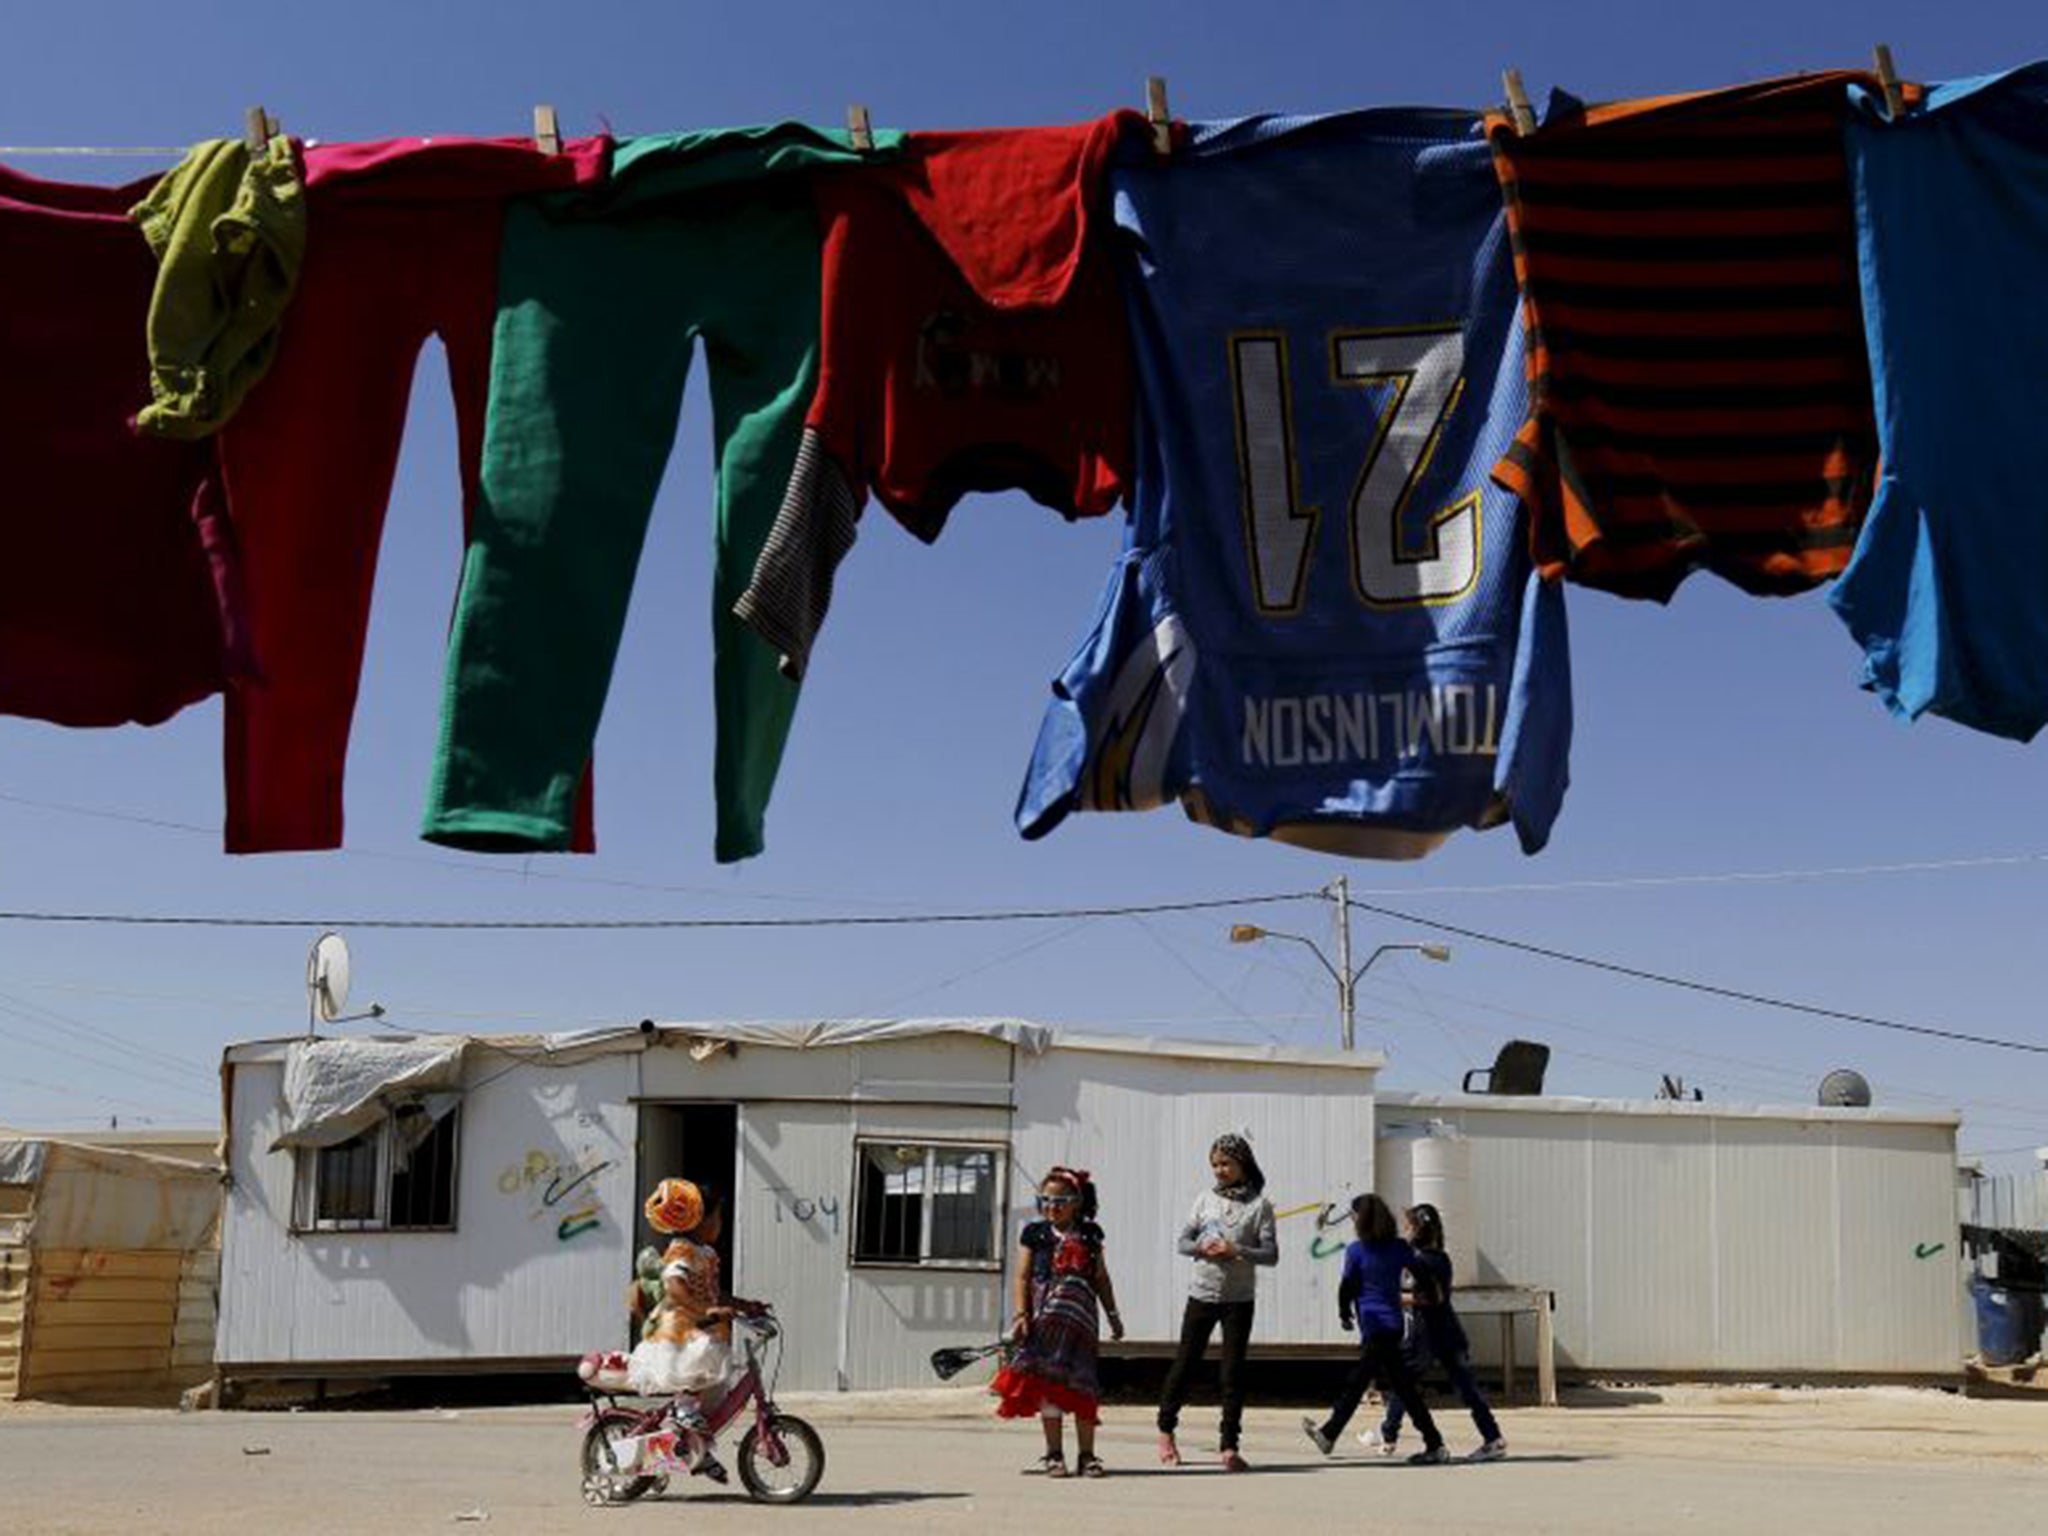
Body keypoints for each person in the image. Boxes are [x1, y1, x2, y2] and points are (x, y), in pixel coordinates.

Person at [990, 1166, 1124, 1477]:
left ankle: (1087, 1455)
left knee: (1083, 1384)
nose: (1052, 1207)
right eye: (1046, 1200)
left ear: (1076, 1201)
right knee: (1049, 1386)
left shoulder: (1091, 1234)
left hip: (1081, 1323)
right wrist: (1022, 1315)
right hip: (1044, 1322)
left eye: (1060, 1200)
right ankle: (1054, 1454)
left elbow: (1101, 1278)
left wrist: (1113, 1316)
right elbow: (1023, 1277)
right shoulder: (1034, 1234)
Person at [1156, 1132, 1278, 1471]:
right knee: (1186, 1364)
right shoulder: (1203, 1200)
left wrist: (1236, 1249)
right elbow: (1182, 1242)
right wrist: (1202, 1247)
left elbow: (1270, 1254)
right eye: (1215, 1165)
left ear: (1243, 1164)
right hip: (1202, 1294)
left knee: (1233, 1372)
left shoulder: (1260, 1206)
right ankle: (1166, 1429)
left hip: (1239, 1299)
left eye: (1226, 1163)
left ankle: (1229, 1445)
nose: (1220, 1170)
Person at [626, 1179, 763, 1481]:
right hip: (682, 1331)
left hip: (706, 1328)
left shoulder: (706, 1253)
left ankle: (693, 1447)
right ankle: (683, 1410)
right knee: (698, 1366)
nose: (720, 1225)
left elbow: (714, 1294)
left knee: (715, 1393)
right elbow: (675, 1288)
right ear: (699, 1220)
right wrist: (707, 1311)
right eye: (717, 1218)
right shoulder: (681, 1250)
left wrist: (744, 1305)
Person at [1302, 1192, 1449, 1466]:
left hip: (1373, 1324)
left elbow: (1347, 1287)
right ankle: (1434, 1443)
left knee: (1359, 1383)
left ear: (1361, 1220)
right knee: (1404, 1389)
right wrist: (1429, 1295)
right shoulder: (1399, 1248)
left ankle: (1329, 1433)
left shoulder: (1356, 1250)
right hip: (1393, 1325)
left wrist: (1344, 1313)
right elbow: (1423, 1275)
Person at [1363, 1202, 1507, 1462]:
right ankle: (1492, 1437)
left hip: (1430, 1335)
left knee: (1405, 1384)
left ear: (1418, 1230)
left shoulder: (1426, 1261)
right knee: (1462, 1389)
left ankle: (1393, 1437)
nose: (1404, 1231)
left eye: (1408, 1226)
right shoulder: (1437, 1258)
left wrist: (1398, 1298)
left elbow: (1434, 1297)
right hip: (1445, 1333)